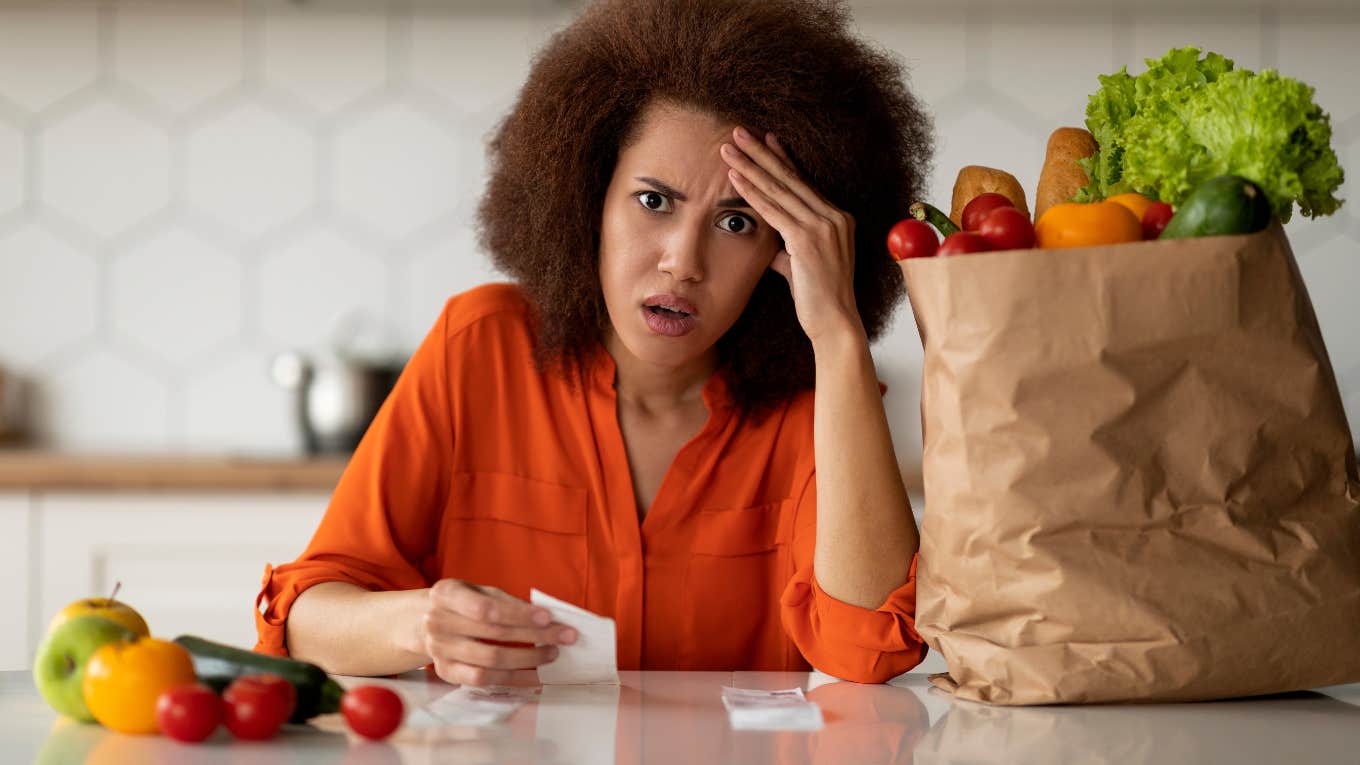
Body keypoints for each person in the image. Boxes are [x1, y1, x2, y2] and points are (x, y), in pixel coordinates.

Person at [255, 0, 934, 685]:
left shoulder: (819, 404)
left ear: (782, 249)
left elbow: (869, 648)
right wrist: (421, 621)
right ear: (588, 200)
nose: (682, 262)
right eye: (653, 201)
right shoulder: (480, 348)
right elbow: (306, 619)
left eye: (736, 222)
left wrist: (840, 334)